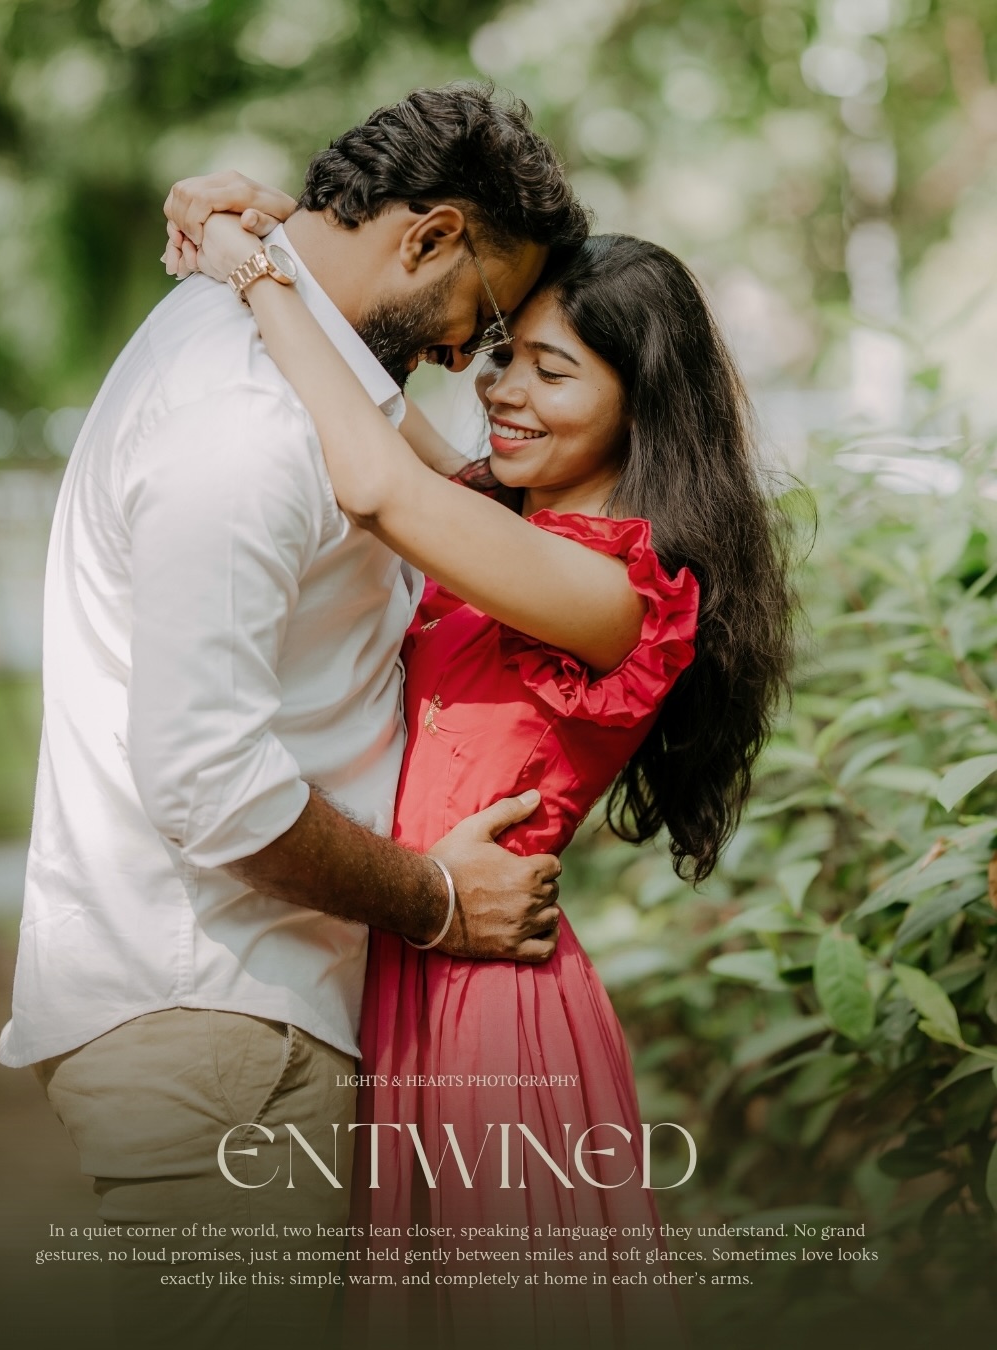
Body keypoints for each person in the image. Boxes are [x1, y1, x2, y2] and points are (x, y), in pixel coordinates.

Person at [0, 85, 591, 1349]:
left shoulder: (293, 368)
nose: (465, 359)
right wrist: (439, 899)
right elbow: (206, 783)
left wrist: (241, 243)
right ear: (425, 237)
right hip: (216, 1018)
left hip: (247, 1010)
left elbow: (433, 481)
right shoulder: (244, 426)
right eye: (483, 320)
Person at [161, 168, 797, 1348]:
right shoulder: (511, 519)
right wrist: (265, 227)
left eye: (554, 373)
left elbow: (372, 477)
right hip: (423, 959)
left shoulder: (614, 591)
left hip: (495, 1005)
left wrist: (253, 275)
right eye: (506, 356)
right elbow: (368, 403)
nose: (503, 390)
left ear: (640, 408)